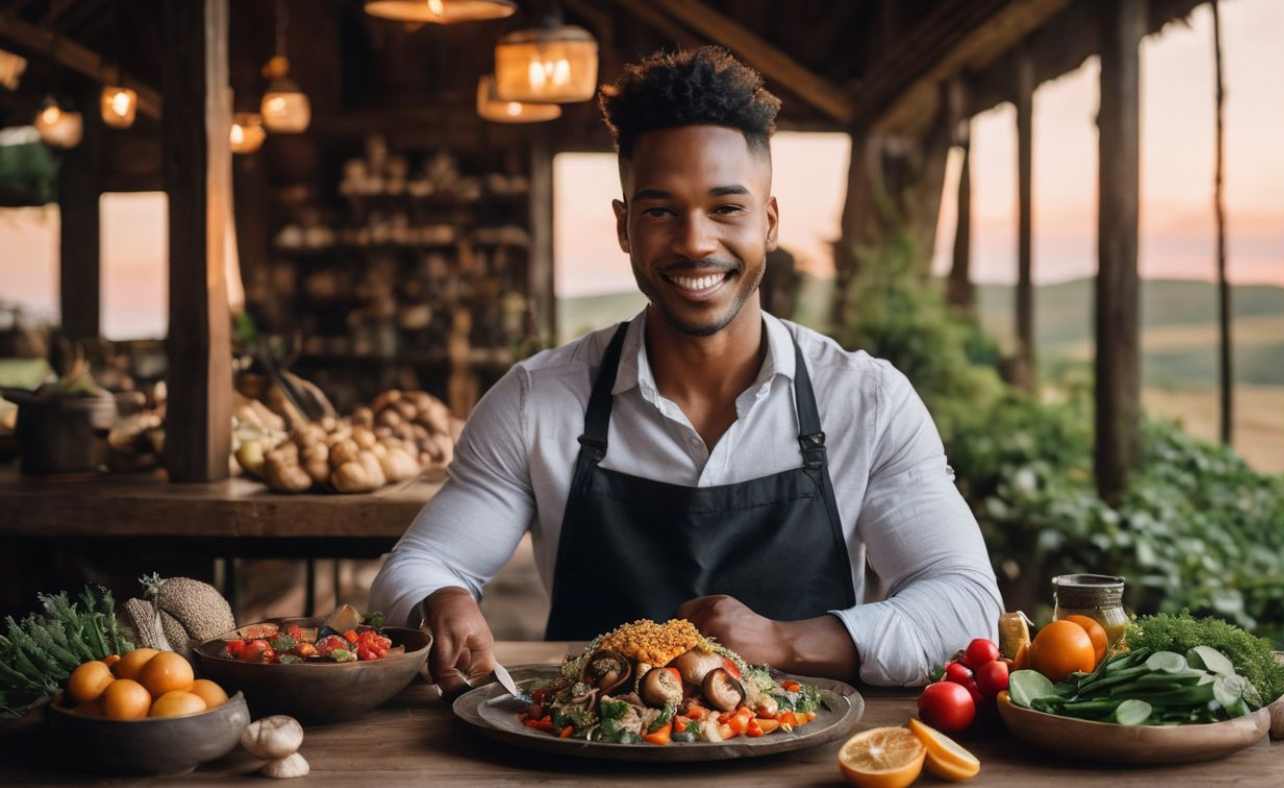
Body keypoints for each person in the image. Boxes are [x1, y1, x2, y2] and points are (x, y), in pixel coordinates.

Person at [369, 47, 1000, 693]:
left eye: (727, 208)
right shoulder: (538, 400)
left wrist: (789, 641)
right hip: (587, 753)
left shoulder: (866, 400)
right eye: (661, 211)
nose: (695, 241)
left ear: (770, 221)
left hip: (807, 757)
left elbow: (966, 606)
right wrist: (441, 602)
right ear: (624, 228)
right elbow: (419, 565)